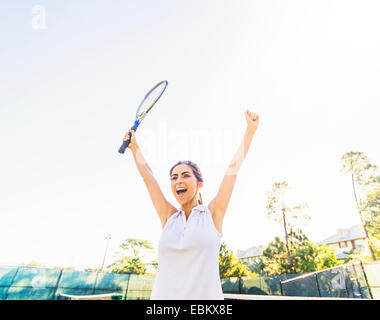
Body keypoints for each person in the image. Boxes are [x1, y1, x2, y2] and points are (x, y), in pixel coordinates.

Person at [123, 109, 259, 300]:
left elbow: (232, 169)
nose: (178, 181)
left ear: (199, 183)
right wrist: (135, 148)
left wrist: (250, 130)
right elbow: (148, 178)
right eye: (174, 177)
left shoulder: (212, 214)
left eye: (186, 175)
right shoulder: (168, 217)